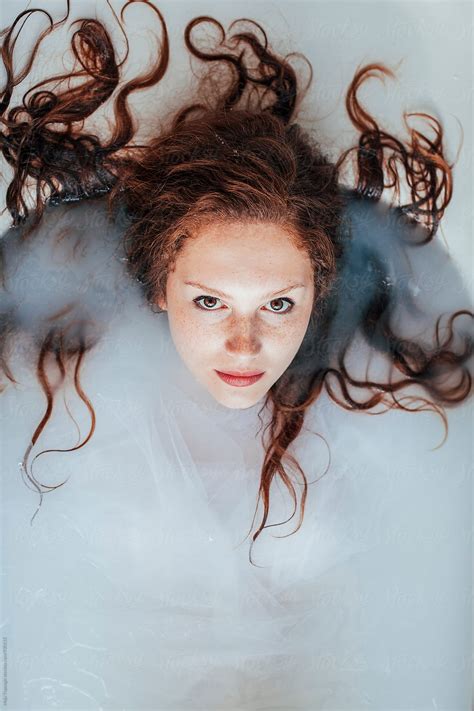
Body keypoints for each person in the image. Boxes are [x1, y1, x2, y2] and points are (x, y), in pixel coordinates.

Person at [0, 1, 472, 708]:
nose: (244, 345)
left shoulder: (376, 401)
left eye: (279, 303)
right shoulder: (74, 375)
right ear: (160, 289)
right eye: (210, 301)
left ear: (320, 292)